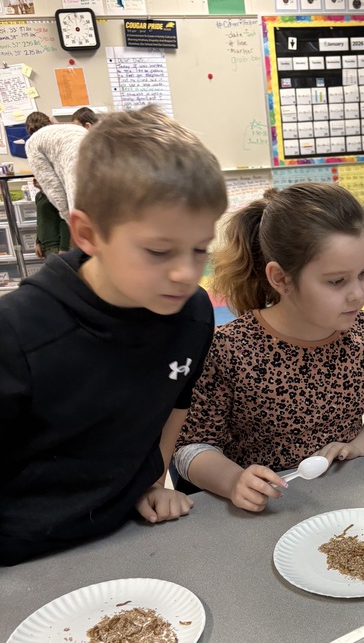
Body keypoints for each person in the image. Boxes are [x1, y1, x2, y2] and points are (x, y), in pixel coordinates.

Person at [0, 105, 228, 566]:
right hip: (25, 555)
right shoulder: (17, 334)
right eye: (158, 250)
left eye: (200, 248)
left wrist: (153, 480)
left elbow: (176, 403)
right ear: (88, 234)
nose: (186, 273)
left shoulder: (195, 314)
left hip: (130, 534)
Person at [173, 182, 364, 513]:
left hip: (345, 503)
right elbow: (186, 447)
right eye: (335, 281)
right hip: (262, 514)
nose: (358, 293)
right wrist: (232, 480)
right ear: (281, 279)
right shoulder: (228, 350)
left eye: (363, 272)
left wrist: (359, 448)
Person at [24, 112, 89, 221]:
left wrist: (68, 218)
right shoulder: (75, 129)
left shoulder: (33, 143)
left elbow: (53, 188)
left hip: (79, 188)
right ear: (50, 120)